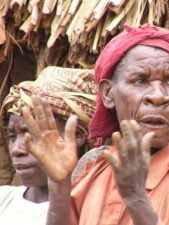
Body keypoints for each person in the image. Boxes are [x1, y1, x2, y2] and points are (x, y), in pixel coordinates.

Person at [23, 24, 169, 225]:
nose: (158, 96)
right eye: (140, 80)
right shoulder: (93, 163)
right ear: (108, 93)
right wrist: (59, 185)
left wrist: (136, 197)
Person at [0, 66, 98, 225]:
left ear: (77, 135)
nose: (17, 149)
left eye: (32, 135)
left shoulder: (93, 210)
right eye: (12, 136)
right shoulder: (3, 199)